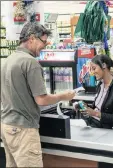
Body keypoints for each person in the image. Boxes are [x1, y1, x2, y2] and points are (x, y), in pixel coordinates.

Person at [0, 22, 75, 167]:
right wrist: (63, 96)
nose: (45, 45)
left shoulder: (8, 61)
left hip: (7, 126)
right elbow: (41, 99)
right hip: (24, 130)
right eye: (44, 41)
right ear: (32, 38)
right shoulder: (30, 63)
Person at [80, 55, 113, 129]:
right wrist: (85, 107)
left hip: (104, 129)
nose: (92, 72)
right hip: (92, 123)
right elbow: (97, 107)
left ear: (104, 65)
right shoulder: (100, 84)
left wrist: (95, 113)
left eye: (94, 68)